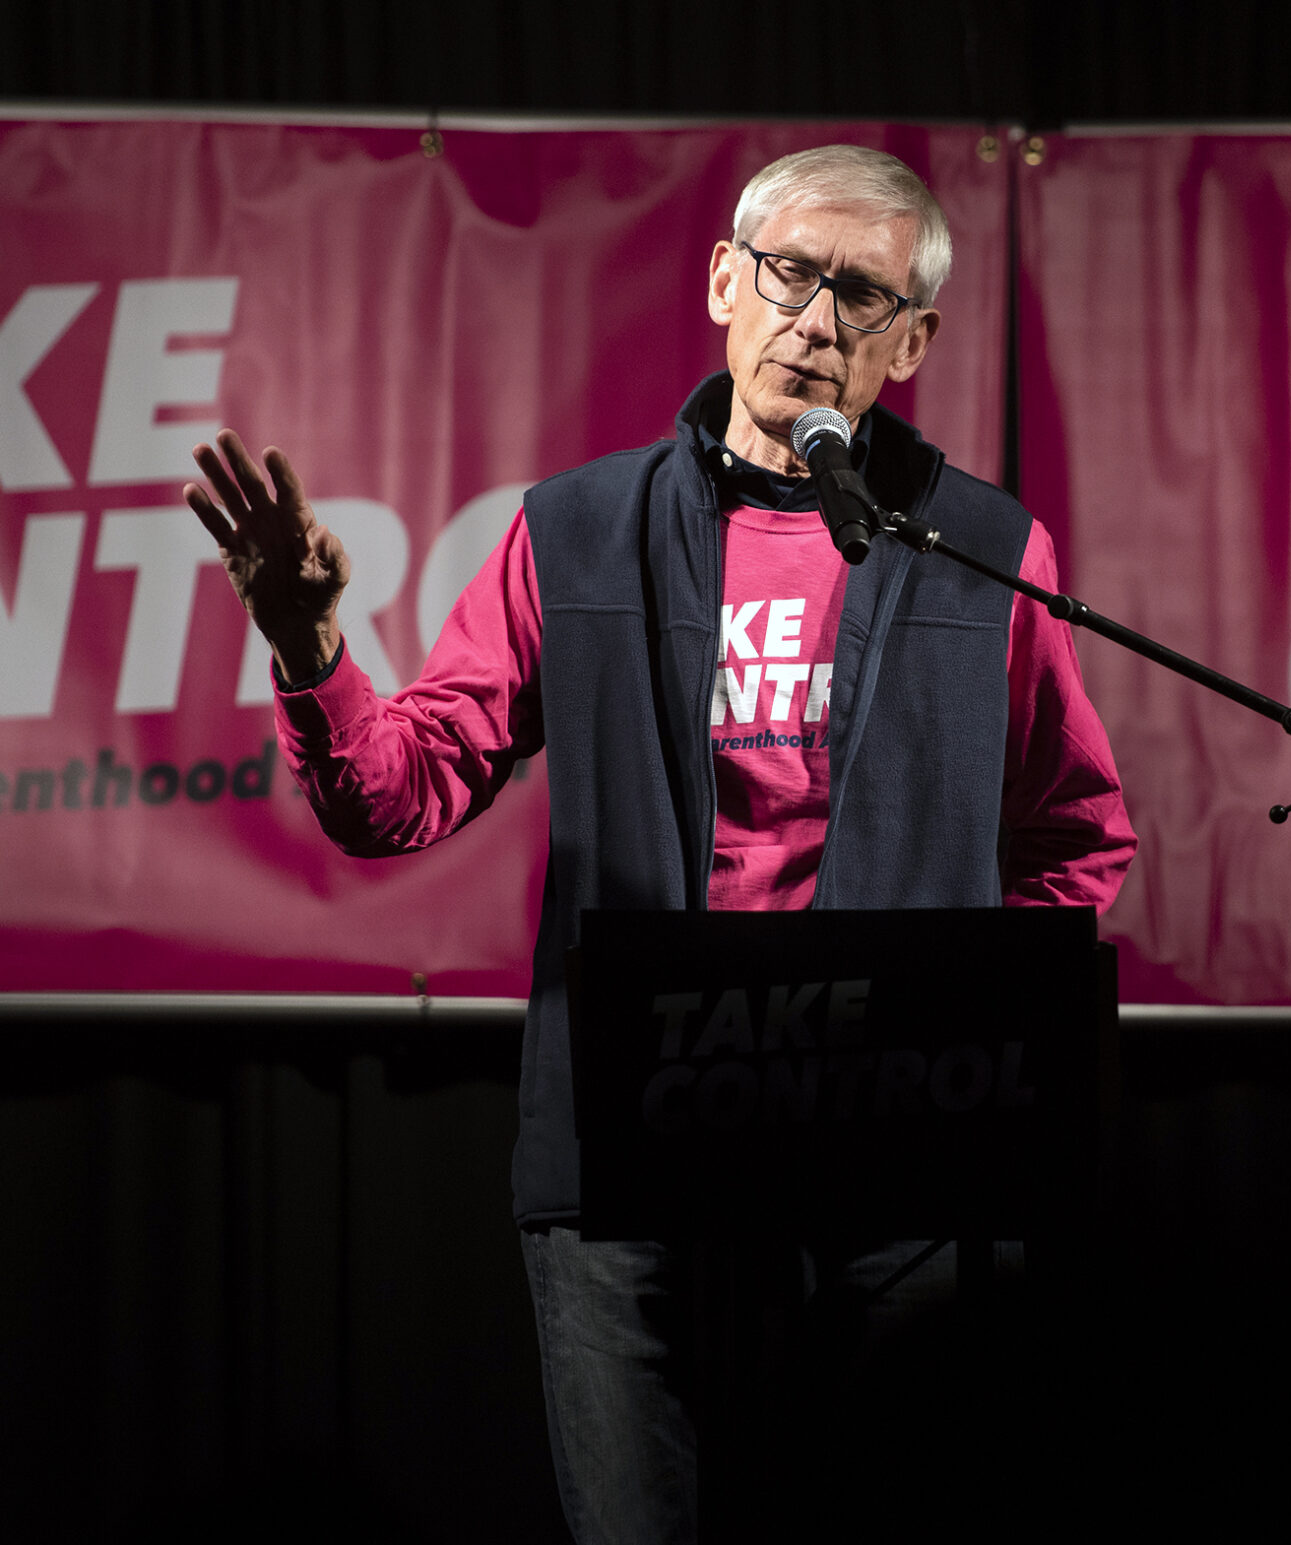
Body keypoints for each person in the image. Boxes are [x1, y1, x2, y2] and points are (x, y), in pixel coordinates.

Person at [182, 144, 1137, 1540]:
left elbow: (1074, 835)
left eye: (860, 293)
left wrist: (977, 1039)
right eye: (788, 274)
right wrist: (309, 643)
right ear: (721, 285)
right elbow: (394, 794)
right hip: (634, 1149)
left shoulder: (984, 548)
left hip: (899, 1160)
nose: (814, 317)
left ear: (914, 341)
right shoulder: (574, 536)